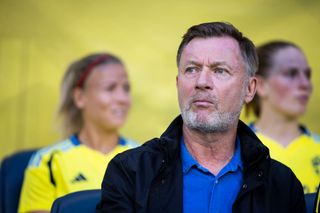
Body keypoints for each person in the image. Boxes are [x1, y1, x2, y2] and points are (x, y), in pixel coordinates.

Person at [96, 22, 306, 213]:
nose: (202, 82)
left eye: (220, 71)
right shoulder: (130, 173)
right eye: (192, 69)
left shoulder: (282, 185)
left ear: (249, 89)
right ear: (178, 83)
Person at [18, 53, 138, 213]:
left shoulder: (145, 158)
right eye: (110, 88)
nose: (123, 98)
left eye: (126, 88)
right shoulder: (47, 161)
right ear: (80, 97)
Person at [246, 41, 320, 193]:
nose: (305, 84)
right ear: (260, 85)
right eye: (291, 74)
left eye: (307, 75)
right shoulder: (235, 150)